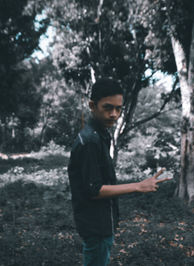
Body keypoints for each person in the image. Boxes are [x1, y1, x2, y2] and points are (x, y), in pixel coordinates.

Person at [68, 78, 169, 266]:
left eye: (118, 108)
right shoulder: (90, 141)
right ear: (92, 105)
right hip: (95, 224)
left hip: (102, 221)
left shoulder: (101, 134)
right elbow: (94, 190)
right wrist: (138, 186)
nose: (114, 114)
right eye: (107, 107)